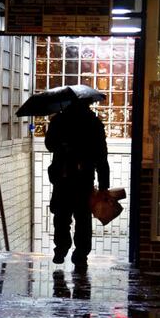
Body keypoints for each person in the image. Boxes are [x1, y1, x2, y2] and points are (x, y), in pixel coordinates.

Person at [45, 99, 110, 267]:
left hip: (63, 176)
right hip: (84, 178)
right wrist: (104, 185)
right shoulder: (94, 122)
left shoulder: (59, 120)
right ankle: (81, 254)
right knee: (83, 218)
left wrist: (63, 145)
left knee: (61, 215)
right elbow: (102, 156)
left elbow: (49, 145)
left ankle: (61, 248)